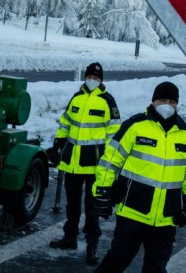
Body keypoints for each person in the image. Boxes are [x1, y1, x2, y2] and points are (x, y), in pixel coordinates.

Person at [92, 81, 186, 273]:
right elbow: (110, 161)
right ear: (153, 101)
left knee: (156, 269)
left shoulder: (184, 133)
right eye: (162, 100)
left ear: (177, 104)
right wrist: (102, 192)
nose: (167, 105)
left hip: (166, 219)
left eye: (171, 101)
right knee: (114, 264)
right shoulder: (135, 125)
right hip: (132, 213)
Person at [49, 62, 121, 265]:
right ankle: (70, 238)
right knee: (72, 205)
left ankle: (92, 245)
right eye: (90, 77)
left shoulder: (108, 101)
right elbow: (66, 122)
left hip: (94, 165)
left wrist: (109, 162)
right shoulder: (77, 97)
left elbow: (113, 134)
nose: (93, 81)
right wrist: (58, 144)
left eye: (97, 78)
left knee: (92, 207)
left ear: (101, 81)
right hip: (72, 162)